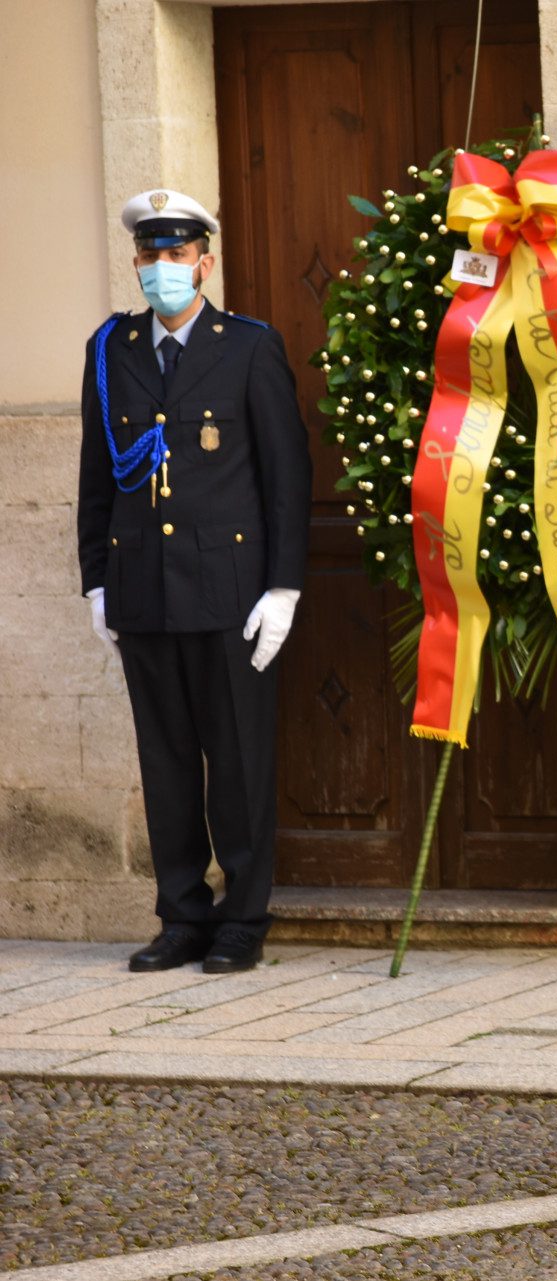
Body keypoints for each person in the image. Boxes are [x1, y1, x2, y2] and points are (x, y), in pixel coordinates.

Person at [77, 189, 312, 975]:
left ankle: (244, 916)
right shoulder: (111, 350)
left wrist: (283, 587)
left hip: (230, 592)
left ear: (204, 263)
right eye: (150, 256)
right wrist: (96, 580)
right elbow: (94, 478)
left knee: (239, 760)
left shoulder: (247, 346)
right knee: (167, 759)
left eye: (176, 255)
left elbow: (286, 475)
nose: (161, 270)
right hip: (144, 587)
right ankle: (182, 914)